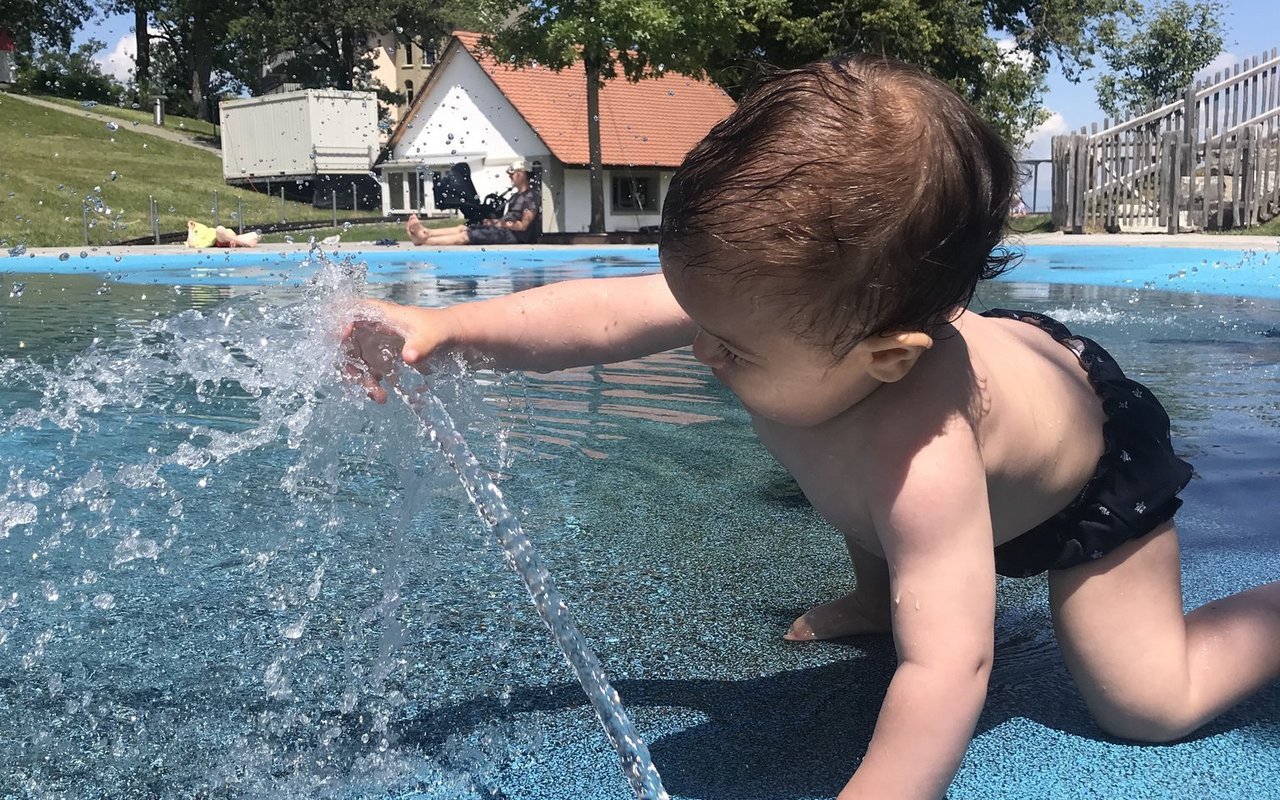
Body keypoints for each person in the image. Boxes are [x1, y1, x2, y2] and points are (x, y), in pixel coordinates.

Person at [342, 55, 1280, 799]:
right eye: (695, 317)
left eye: (731, 346)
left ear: (888, 358)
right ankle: (879, 593)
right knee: (833, 449)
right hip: (932, 381)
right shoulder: (774, 314)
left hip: (1087, 471)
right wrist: (449, 328)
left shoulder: (925, 452)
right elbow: (600, 318)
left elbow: (954, 666)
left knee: (1146, 703)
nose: (700, 351)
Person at [406, 159, 540, 246]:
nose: (510, 176)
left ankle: (424, 241)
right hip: (503, 230)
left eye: (512, 173)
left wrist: (497, 223)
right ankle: (426, 233)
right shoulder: (517, 195)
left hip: (513, 236)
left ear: (522, 174)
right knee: (463, 228)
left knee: (466, 236)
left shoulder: (531, 197)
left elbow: (523, 226)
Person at [185, 219, 261, 248]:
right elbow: (191, 244)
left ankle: (236, 241)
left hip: (227, 235)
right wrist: (190, 229)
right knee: (219, 229)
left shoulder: (201, 228)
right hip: (219, 239)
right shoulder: (193, 235)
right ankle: (243, 242)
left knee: (256, 235)